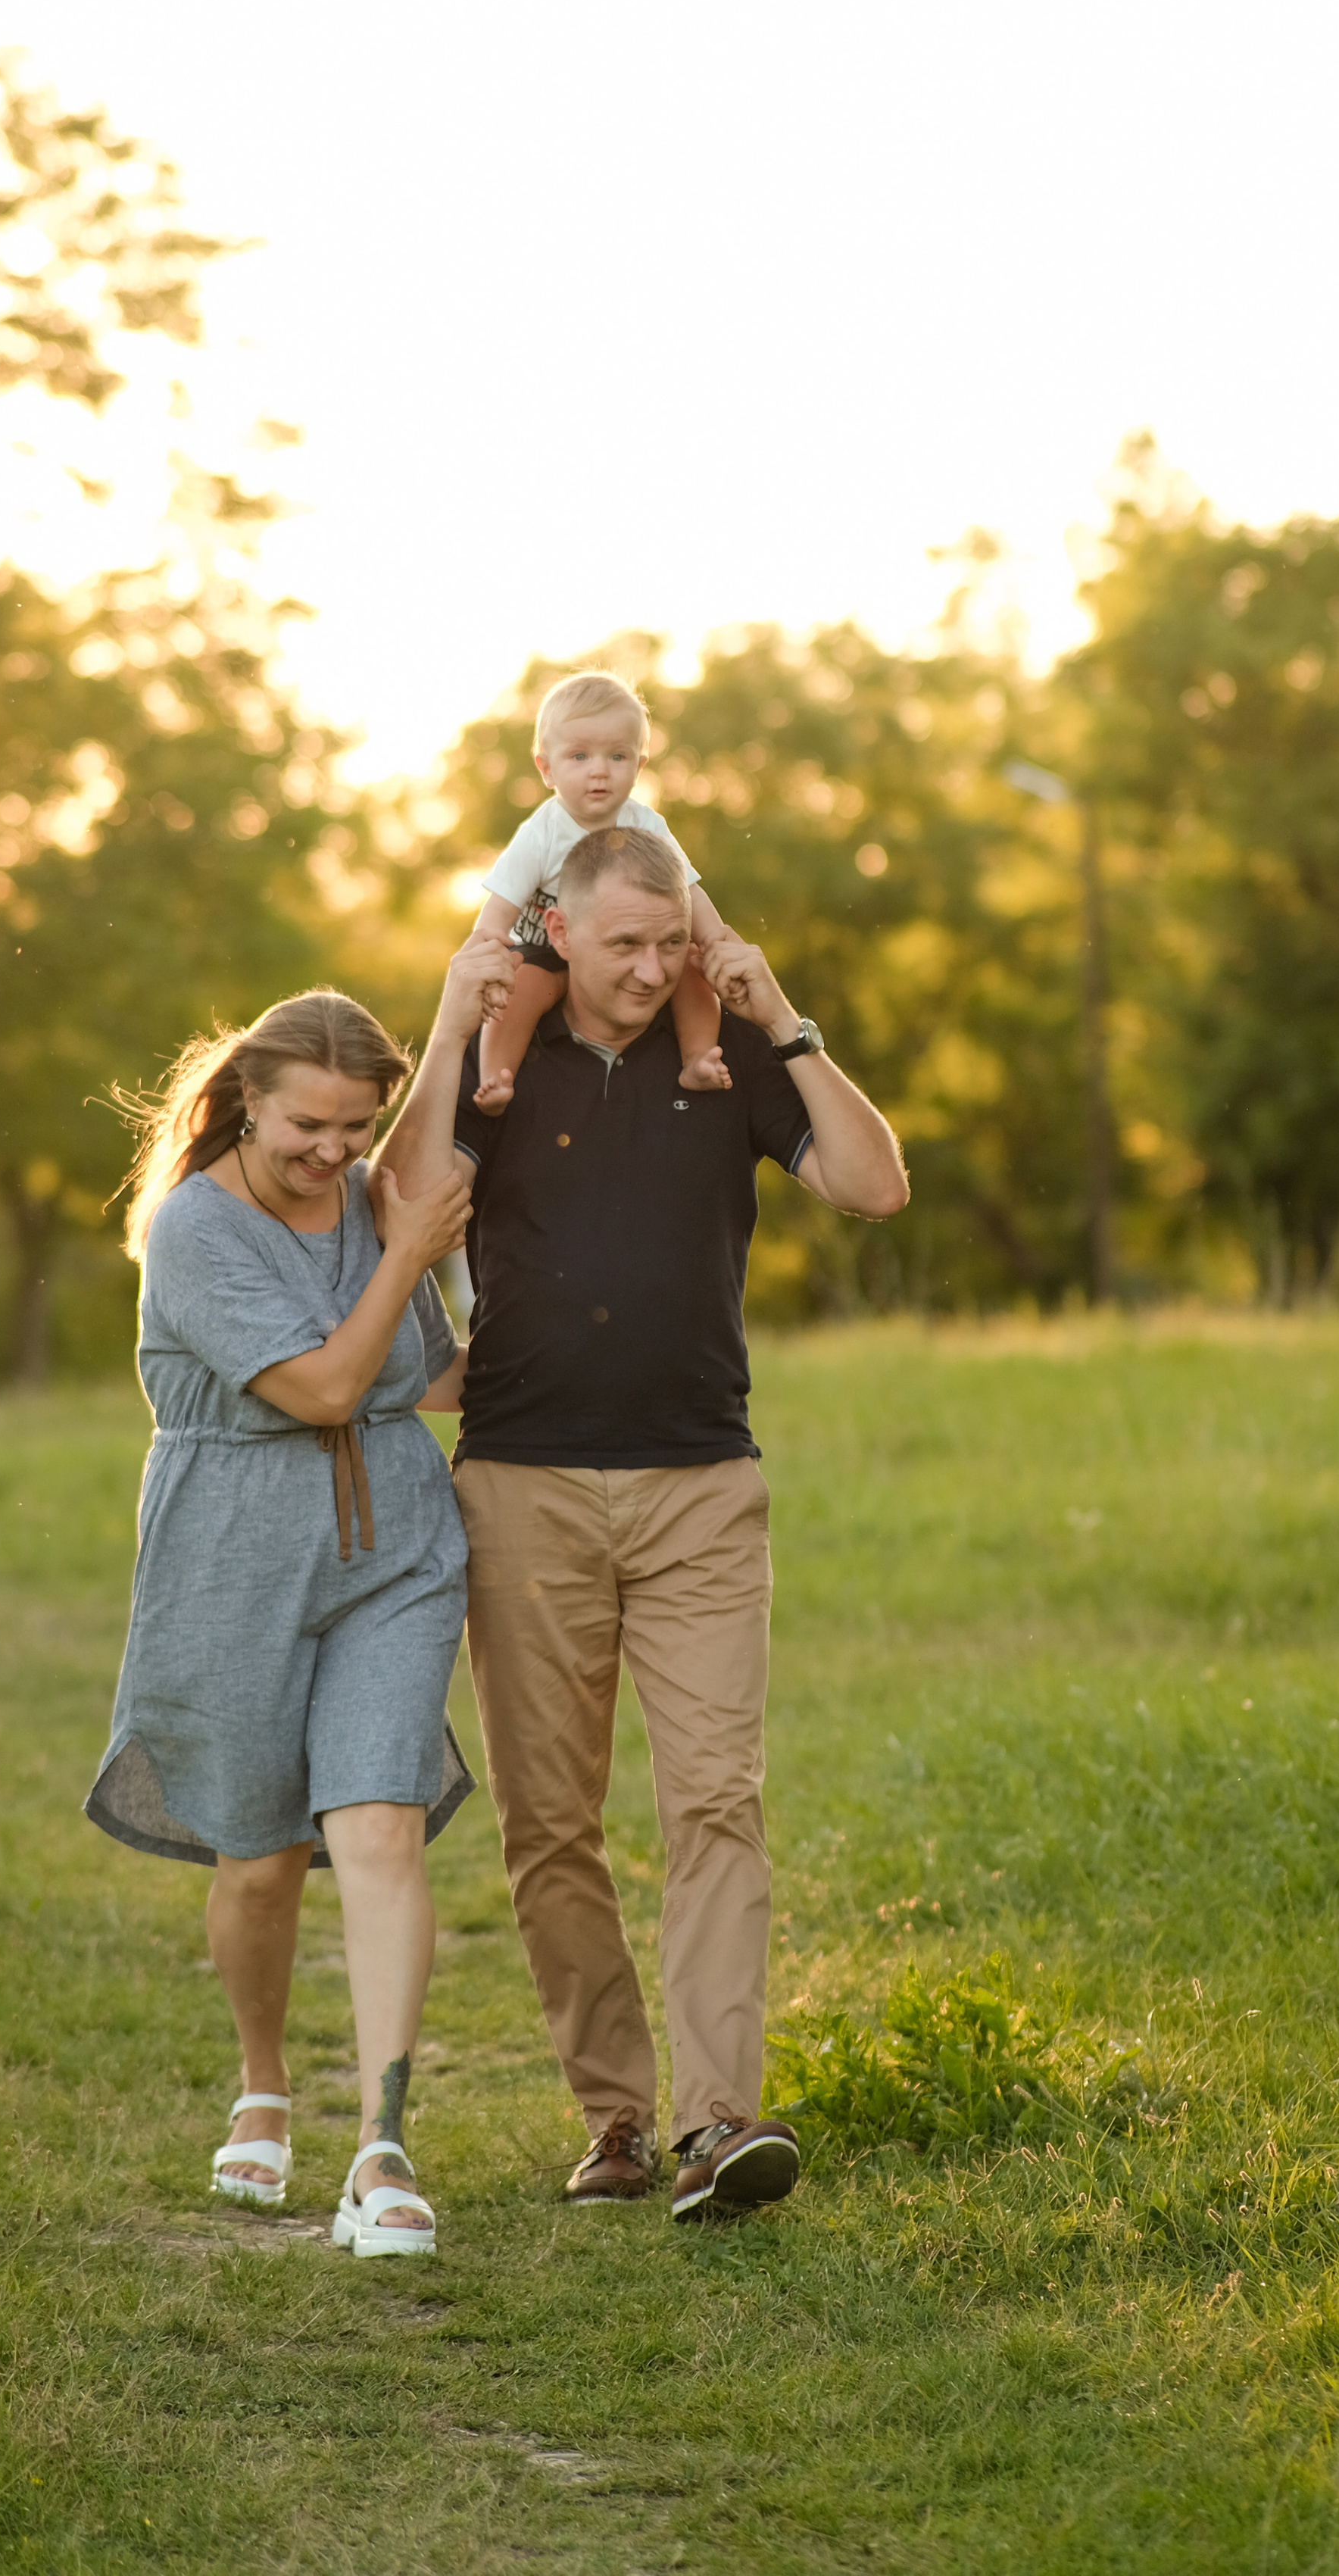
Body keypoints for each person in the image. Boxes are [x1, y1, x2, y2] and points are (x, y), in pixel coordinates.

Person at [381, 826, 909, 2221]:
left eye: (668, 941)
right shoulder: (508, 1063)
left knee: (716, 1801)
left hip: (700, 1492)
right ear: (556, 929)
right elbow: (396, 1197)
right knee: (550, 1824)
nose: (650, 968)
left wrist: (779, 1012)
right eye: (623, 944)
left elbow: (873, 1183)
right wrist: (451, 1019)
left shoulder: (727, 1062)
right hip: (522, 1488)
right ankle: (615, 2118)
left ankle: (720, 2120)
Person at [85, 989, 477, 2259]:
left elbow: (425, 1374)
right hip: (232, 1555)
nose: (334, 1151)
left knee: (378, 1824)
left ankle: (383, 2145)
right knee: (257, 1856)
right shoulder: (194, 1231)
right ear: (247, 1100)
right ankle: (265, 2080)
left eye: (357, 1127)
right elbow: (321, 1386)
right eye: (310, 1124)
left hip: (395, 1550)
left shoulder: (373, 1198)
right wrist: (410, 1251)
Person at [469, 670, 737, 1110]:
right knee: (523, 987)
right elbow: (498, 910)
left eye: (617, 756)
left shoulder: (646, 824)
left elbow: (688, 891)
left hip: (626, 949)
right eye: (579, 756)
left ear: (639, 766)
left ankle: (698, 1058)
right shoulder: (542, 834)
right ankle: (496, 1079)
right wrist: (487, 957)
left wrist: (715, 939)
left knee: (692, 967)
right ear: (546, 768)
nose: (599, 771)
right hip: (545, 952)